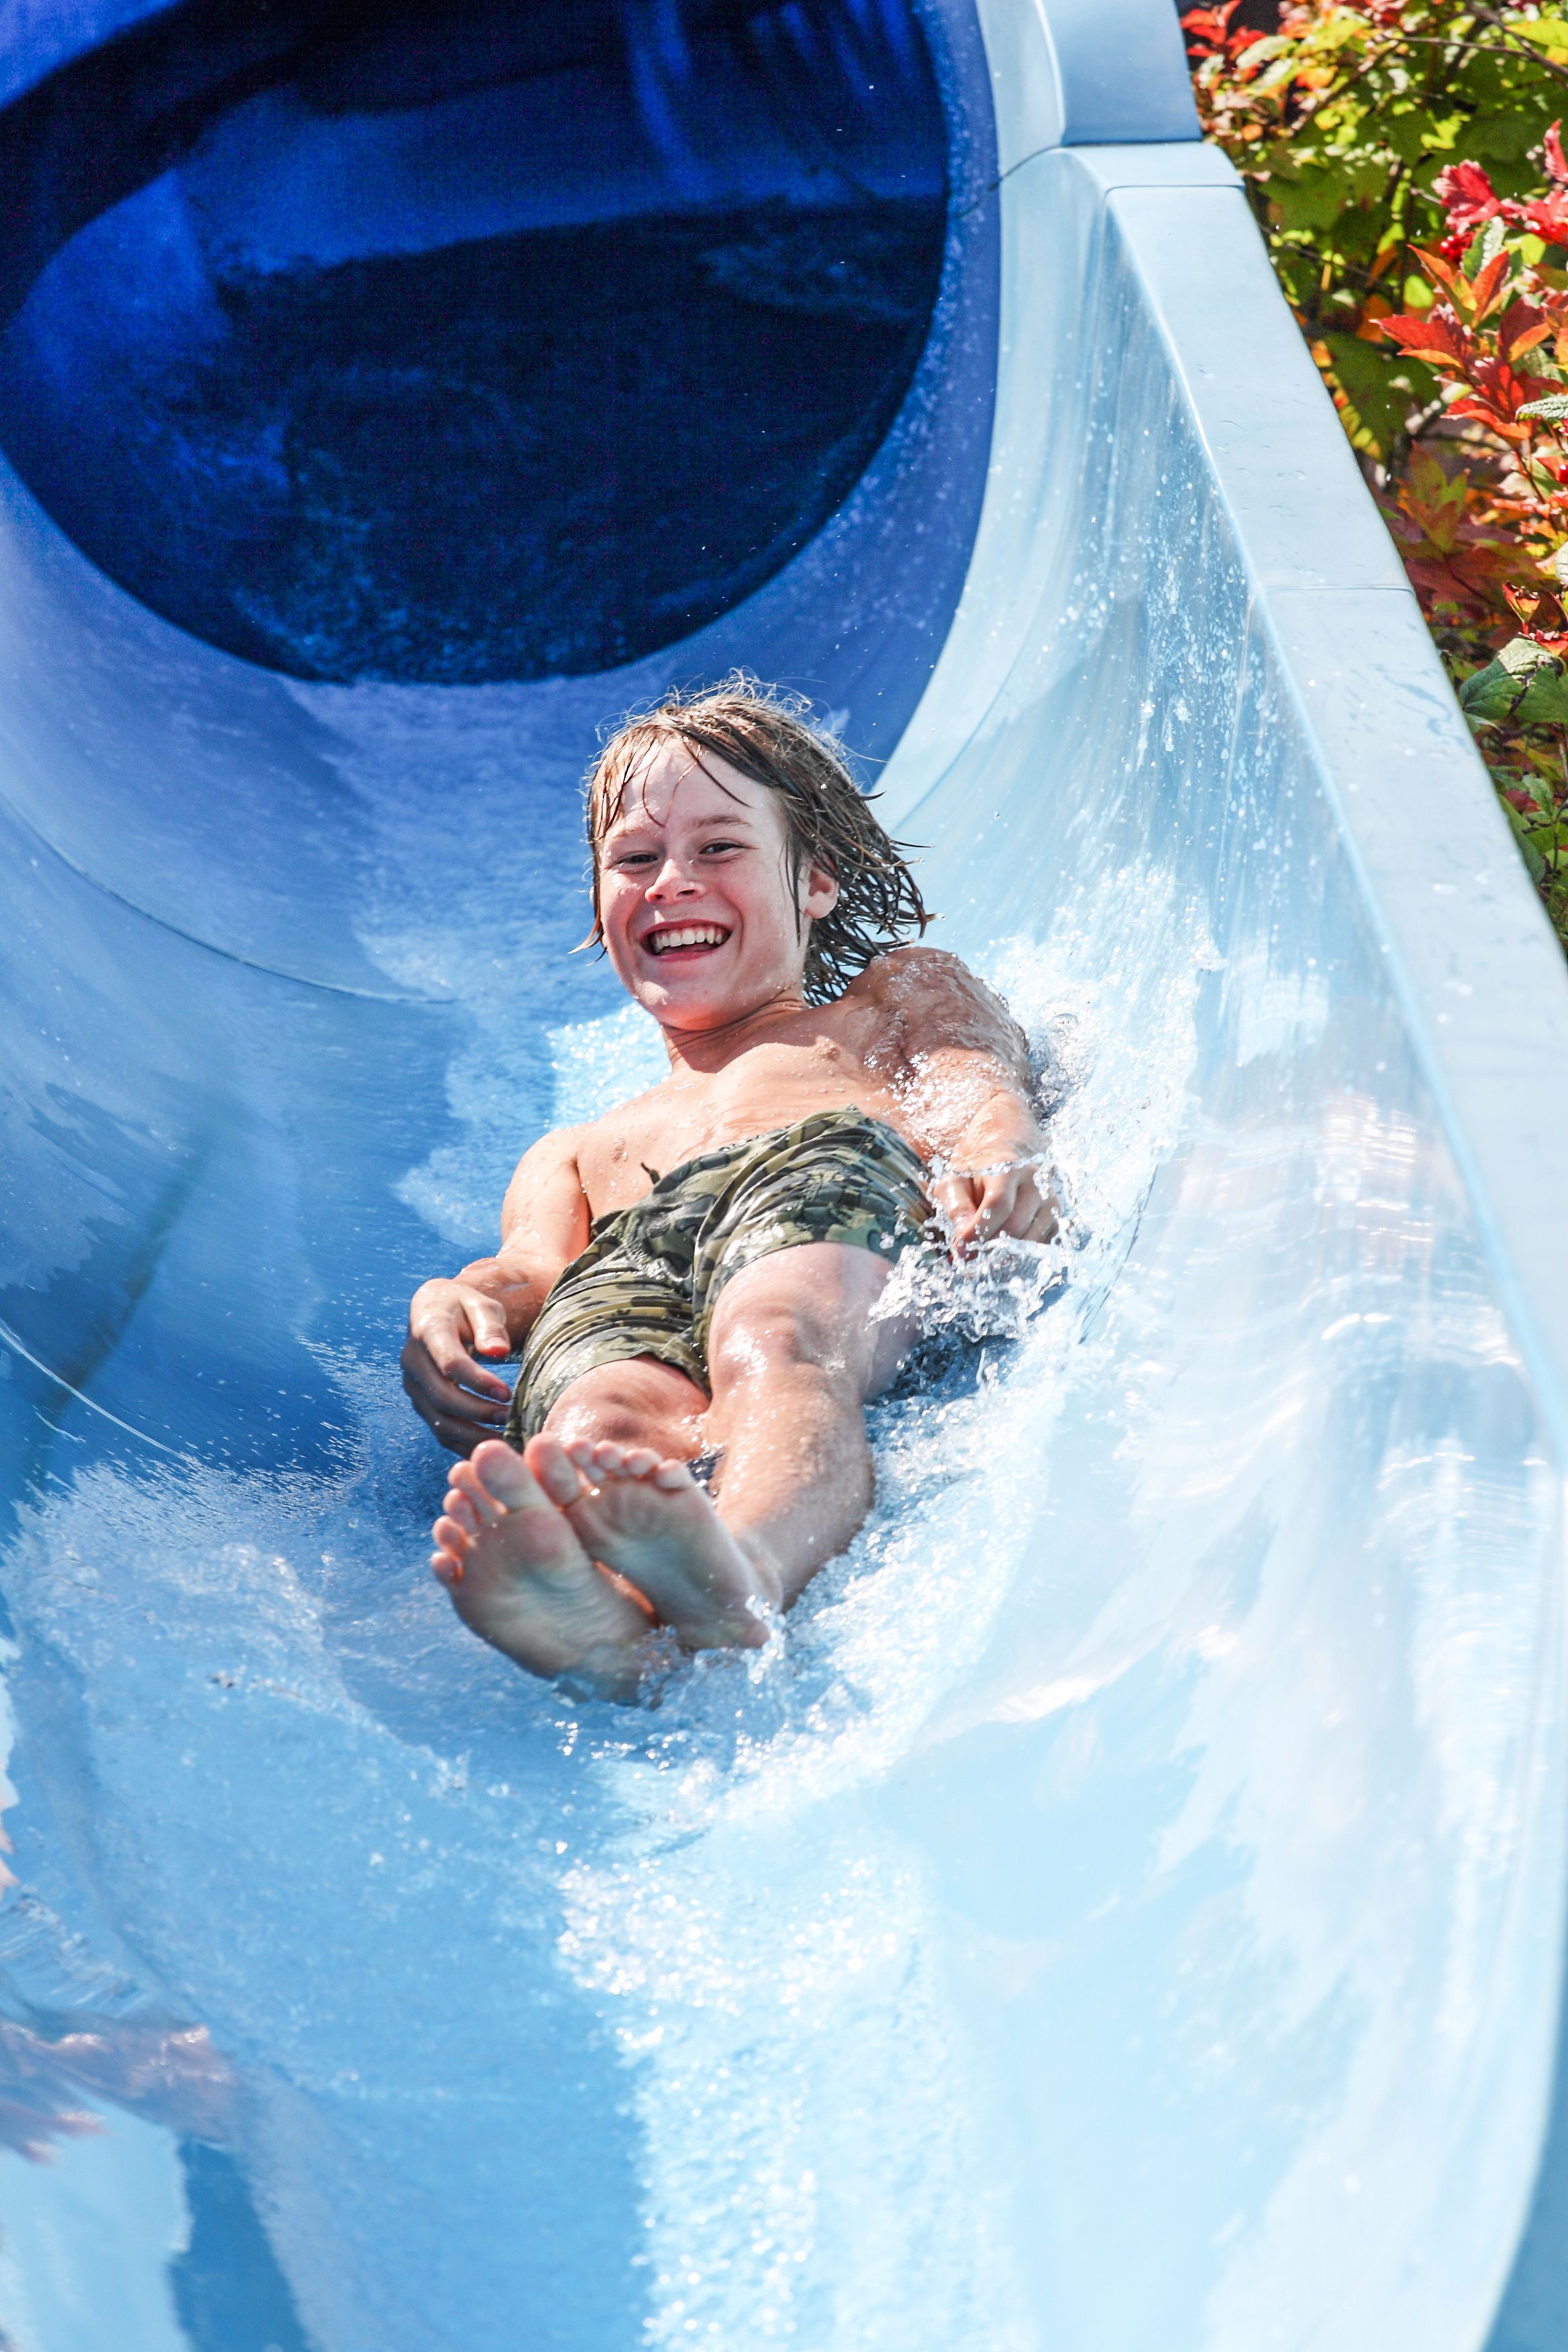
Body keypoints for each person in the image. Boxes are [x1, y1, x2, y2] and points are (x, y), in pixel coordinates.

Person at [401, 677, 1056, 1694]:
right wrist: (461, 1303)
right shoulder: (574, 1150)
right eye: (634, 859)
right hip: (625, 1259)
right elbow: (530, 1270)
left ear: (817, 884)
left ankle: (743, 1566)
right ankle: (608, 1621)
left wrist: (997, 1144)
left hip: (809, 1166)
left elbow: (974, 1077)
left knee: (775, 1336)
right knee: (596, 1423)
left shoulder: (887, 998)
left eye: (718, 848)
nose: (671, 881)